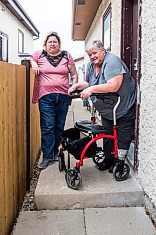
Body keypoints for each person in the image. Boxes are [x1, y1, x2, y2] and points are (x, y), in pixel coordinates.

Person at [69, 40, 136, 171]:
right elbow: (89, 83)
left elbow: (113, 85)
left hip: (122, 106)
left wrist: (92, 89)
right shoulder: (91, 65)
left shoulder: (112, 62)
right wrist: (77, 86)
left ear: (103, 51)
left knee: (122, 135)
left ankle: (120, 161)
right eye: (90, 54)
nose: (92, 56)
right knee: (107, 134)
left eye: (94, 53)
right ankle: (108, 159)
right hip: (107, 110)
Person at [31, 32, 78, 169]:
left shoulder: (66, 56)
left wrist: (73, 87)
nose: (52, 44)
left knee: (59, 126)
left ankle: (55, 151)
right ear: (45, 44)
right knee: (47, 127)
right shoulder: (39, 55)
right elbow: (30, 58)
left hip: (63, 96)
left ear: (59, 44)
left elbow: (74, 74)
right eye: (50, 42)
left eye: (55, 42)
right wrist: (33, 64)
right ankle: (47, 157)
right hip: (45, 97)